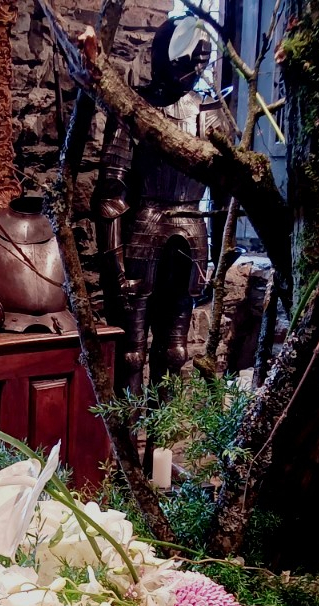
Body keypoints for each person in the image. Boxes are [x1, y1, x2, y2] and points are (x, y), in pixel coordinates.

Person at [93, 15, 227, 394]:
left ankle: (162, 433)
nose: (194, 71)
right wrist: (114, 263)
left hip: (193, 233)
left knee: (175, 352)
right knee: (131, 355)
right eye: (188, 60)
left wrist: (217, 258)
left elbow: (223, 192)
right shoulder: (135, 108)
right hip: (143, 229)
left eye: (201, 62)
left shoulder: (208, 112)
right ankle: (125, 432)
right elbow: (111, 192)